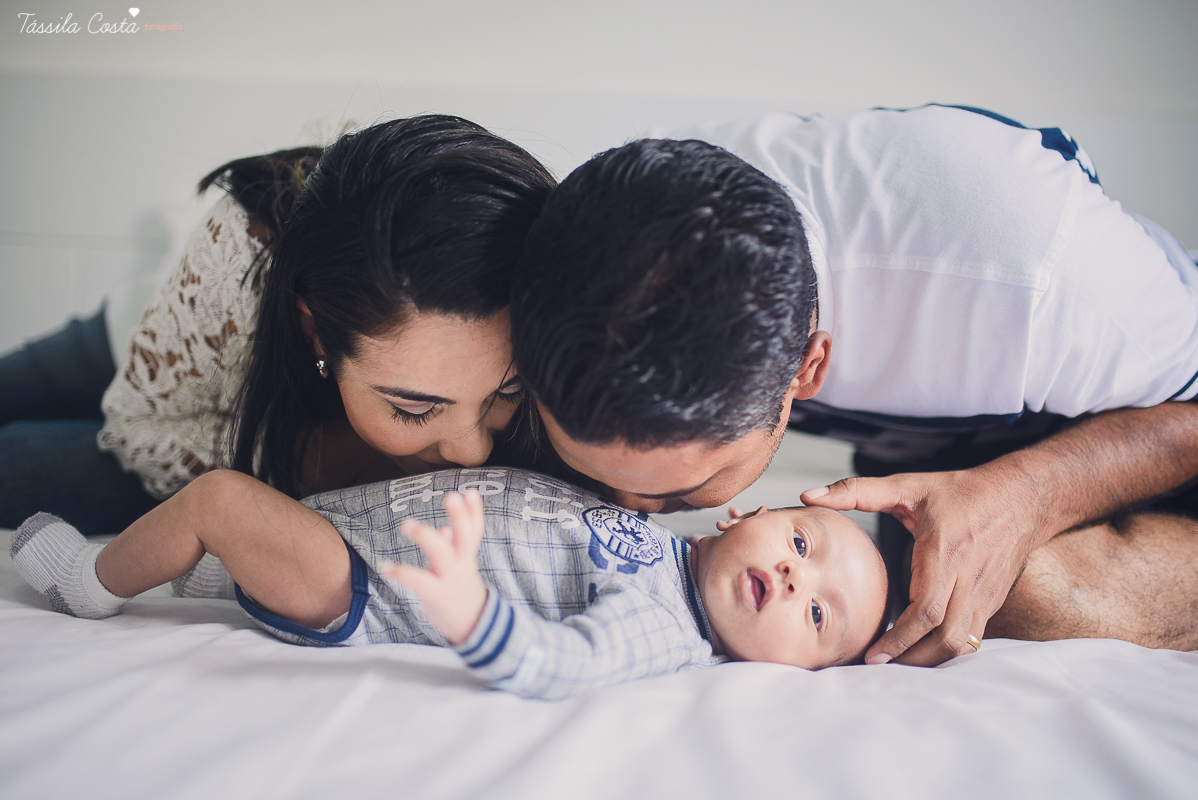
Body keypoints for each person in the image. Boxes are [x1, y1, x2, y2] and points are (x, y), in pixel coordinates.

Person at [509, 104, 1198, 668]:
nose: (628, 511)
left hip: (1167, 423)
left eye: (678, 493)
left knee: (1036, 600)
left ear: (808, 370)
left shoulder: (1033, 271)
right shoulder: (607, 232)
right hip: (959, 454)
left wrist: (1026, 495)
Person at [0, 114, 556, 534]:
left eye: (507, 389)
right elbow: (142, 430)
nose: (471, 452)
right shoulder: (242, 249)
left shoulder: (548, 300)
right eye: (413, 407)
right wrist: (326, 459)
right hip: (151, 354)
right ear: (315, 332)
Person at [10, 467, 889, 699]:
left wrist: (472, 615)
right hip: (357, 525)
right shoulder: (665, 537)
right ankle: (178, 569)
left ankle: (88, 584)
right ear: (753, 516)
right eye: (804, 541)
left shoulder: (667, 627)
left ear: (798, 673)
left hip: (362, 586)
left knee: (220, 504)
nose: (792, 573)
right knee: (225, 536)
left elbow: (565, 666)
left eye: (818, 613)